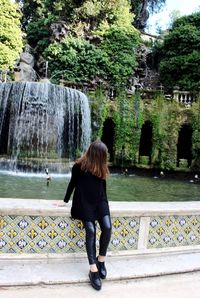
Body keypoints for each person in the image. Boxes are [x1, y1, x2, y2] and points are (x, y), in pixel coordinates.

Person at [63, 140, 112, 291]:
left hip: (99, 201)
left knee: (107, 227)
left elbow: (103, 188)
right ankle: (93, 269)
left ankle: (101, 260)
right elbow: (72, 184)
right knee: (91, 230)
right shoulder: (78, 166)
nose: (105, 158)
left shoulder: (102, 167)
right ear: (96, 155)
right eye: (103, 155)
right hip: (83, 203)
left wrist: (105, 206)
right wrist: (65, 201)